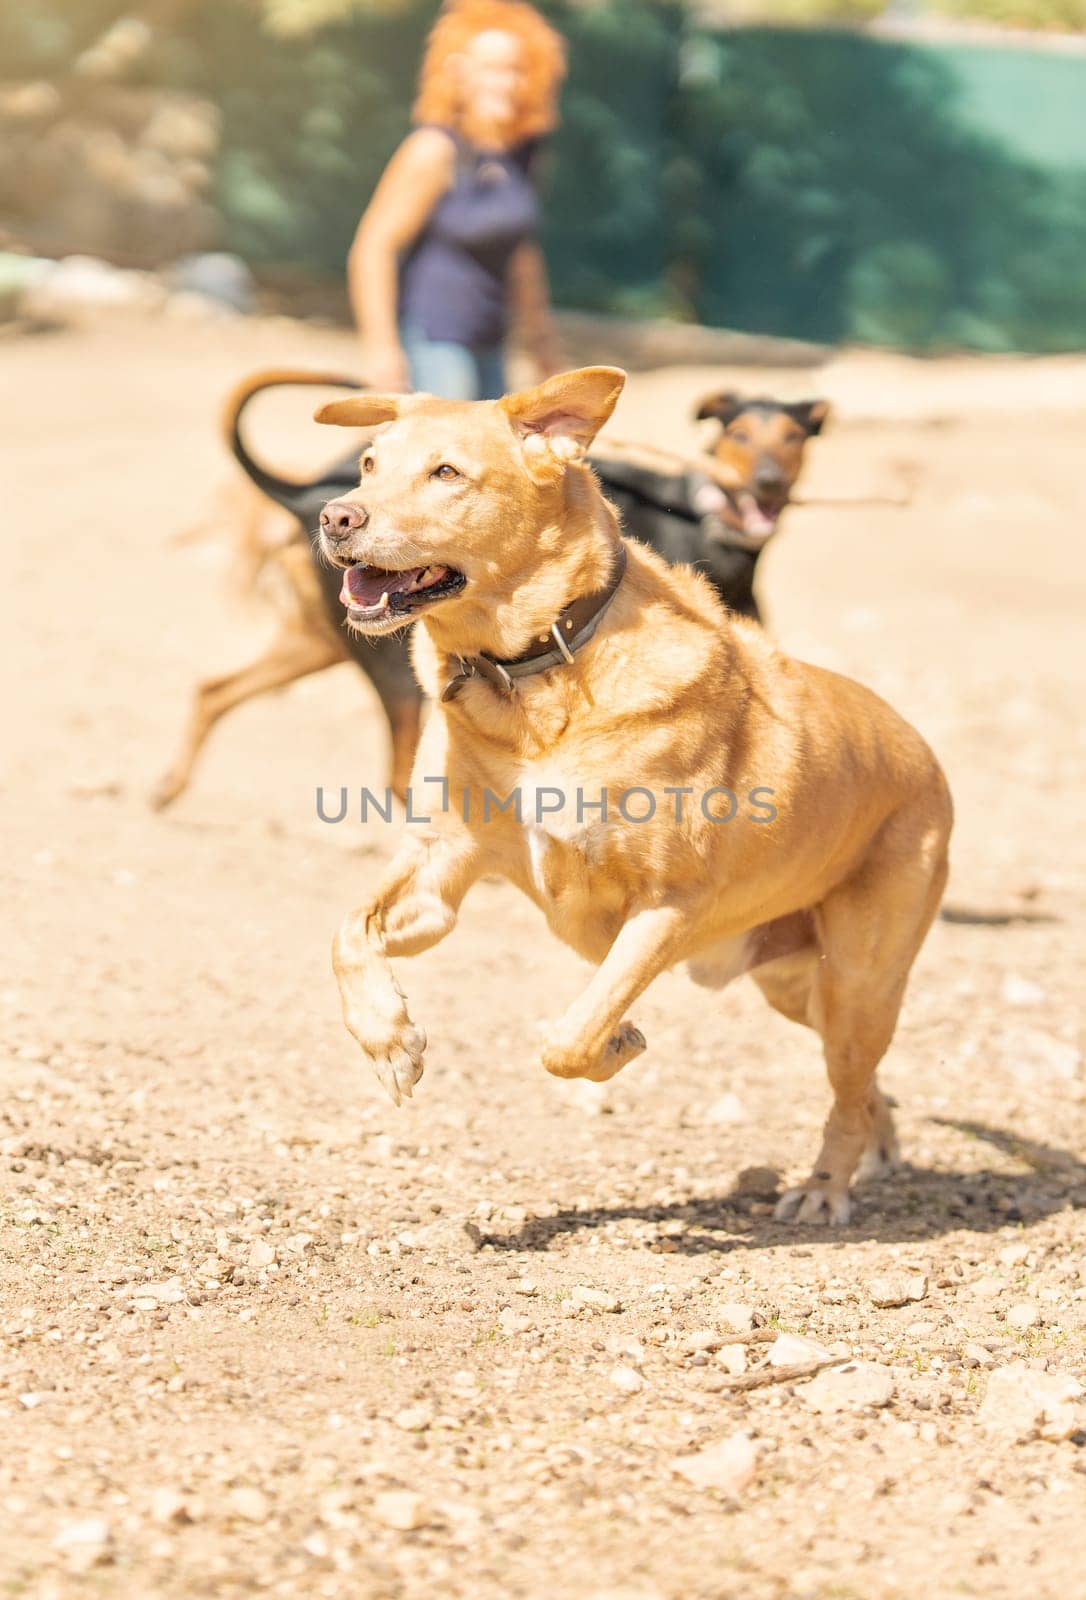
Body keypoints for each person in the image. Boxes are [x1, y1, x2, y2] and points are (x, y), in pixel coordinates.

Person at [348, 0, 566, 400]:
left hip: (490, 339)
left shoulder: (521, 156)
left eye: (515, 69)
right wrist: (381, 351)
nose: (505, 82)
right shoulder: (434, 150)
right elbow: (373, 247)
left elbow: (521, 253)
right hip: (436, 338)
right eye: (491, 69)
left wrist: (542, 345)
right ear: (457, 72)